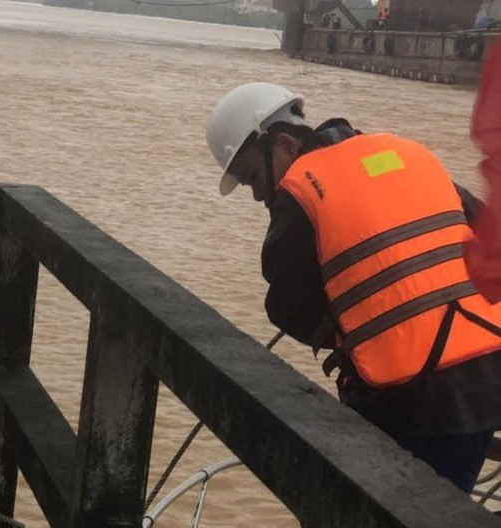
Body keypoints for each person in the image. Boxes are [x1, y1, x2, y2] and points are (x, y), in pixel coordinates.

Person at [205, 82, 501, 494]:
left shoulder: (300, 194)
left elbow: (285, 304)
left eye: (253, 175)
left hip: (405, 400)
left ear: (285, 144)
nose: (257, 194)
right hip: (486, 385)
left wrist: (345, 329)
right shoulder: (408, 153)